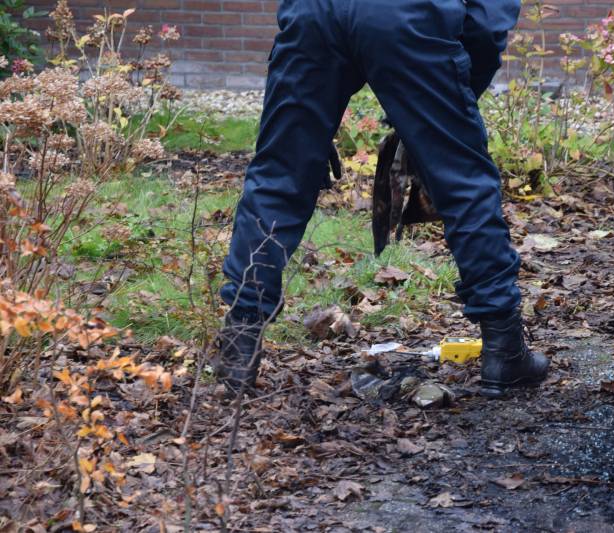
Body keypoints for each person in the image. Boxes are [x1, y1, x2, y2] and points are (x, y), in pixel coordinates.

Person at [216, 0, 549, 399]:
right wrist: (451, 103)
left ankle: (238, 349)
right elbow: (487, 21)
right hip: (406, 14)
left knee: (280, 175)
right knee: (462, 180)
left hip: (314, 13)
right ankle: (505, 350)